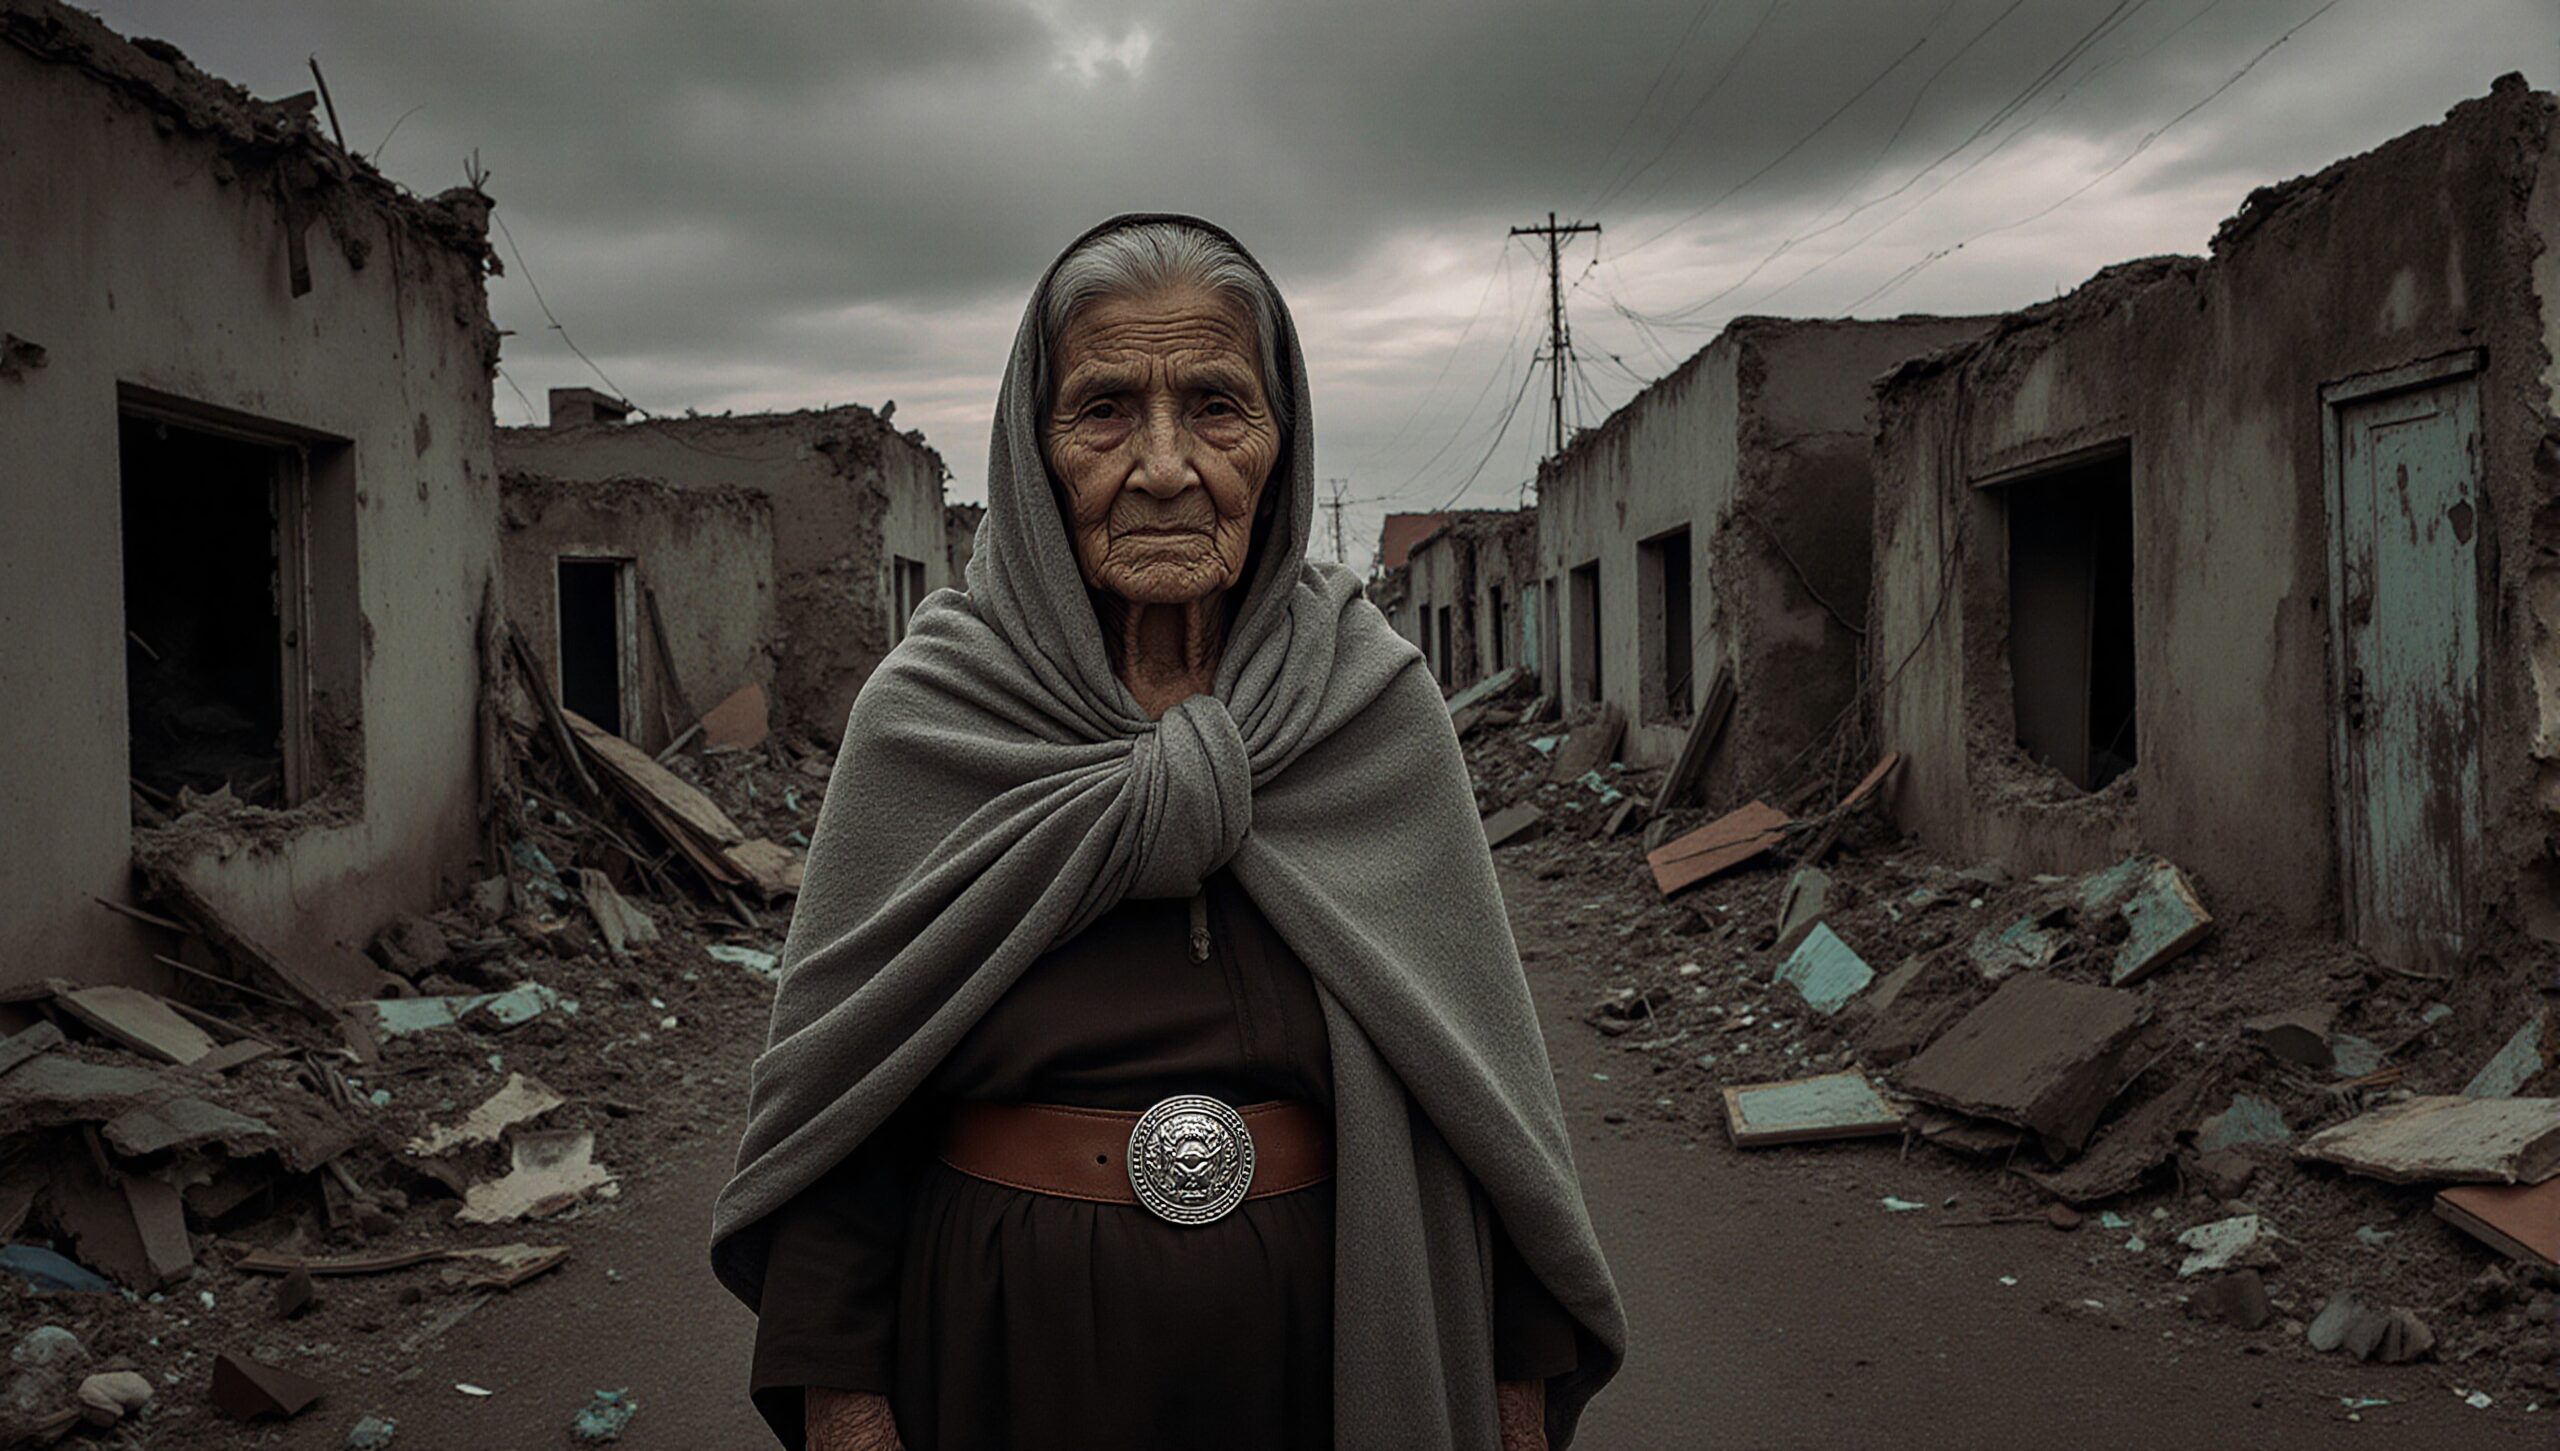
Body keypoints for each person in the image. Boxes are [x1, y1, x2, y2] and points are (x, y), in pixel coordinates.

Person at [711, 214, 1625, 1451]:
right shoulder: (934, 714)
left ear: (1281, 440)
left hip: (1333, 1368)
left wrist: (1512, 1393)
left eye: (1214, 406)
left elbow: (1477, 1091)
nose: (1161, 466)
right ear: (1035, 448)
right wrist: (846, 1409)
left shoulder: (1366, 703)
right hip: (998, 1366)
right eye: (1102, 411)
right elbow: (844, 1094)